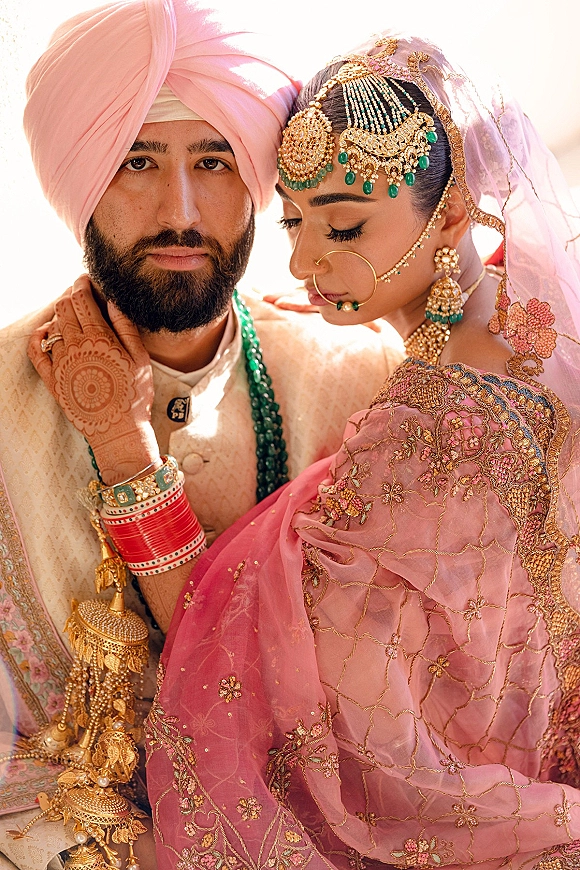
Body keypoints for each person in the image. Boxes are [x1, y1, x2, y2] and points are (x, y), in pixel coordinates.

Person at [139, 33, 580, 869]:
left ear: (453, 212)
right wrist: (368, 299)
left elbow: (252, 672)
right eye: (296, 222)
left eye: (343, 224)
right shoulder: (535, 332)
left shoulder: (436, 428)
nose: (306, 260)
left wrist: (122, 455)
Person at [0, 3, 403, 868]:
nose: (179, 211)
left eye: (214, 160)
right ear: (80, 178)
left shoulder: (359, 378)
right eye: (136, 160)